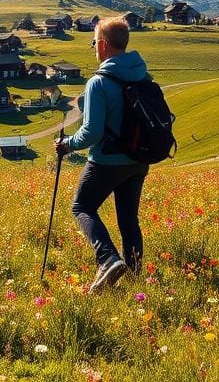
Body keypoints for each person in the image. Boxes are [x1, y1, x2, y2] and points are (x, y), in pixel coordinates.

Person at [55, 16, 150, 293]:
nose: (94, 46)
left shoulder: (99, 82)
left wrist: (67, 144)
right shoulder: (142, 74)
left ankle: (108, 259)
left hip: (107, 160)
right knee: (128, 219)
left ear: (104, 45)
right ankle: (135, 280)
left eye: (94, 41)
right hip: (139, 159)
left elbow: (92, 133)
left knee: (82, 207)